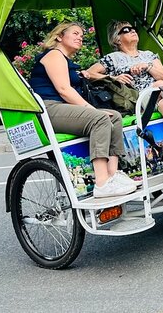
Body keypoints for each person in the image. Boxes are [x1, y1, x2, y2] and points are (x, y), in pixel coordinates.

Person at [28, 22, 136, 198]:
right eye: (75, 33)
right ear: (59, 36)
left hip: (63, 107)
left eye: (82, 35)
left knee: (114, 116)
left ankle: (113, 174)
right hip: (49, 108)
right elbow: (63, 89)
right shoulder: (54, 55)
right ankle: (102, 183)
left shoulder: (66, 61)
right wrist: (91, 109)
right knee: (100, 118)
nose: (80, 37)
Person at [87, 21, 163, 116]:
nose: (133, 31)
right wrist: (114, 78)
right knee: (161, 85)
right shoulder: (113, 58)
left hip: (160, 96)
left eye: (134, 29)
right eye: (126, 30)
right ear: (117, 40)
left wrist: (147, 67)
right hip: (137, 98)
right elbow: (89, 73)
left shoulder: (149, 55)